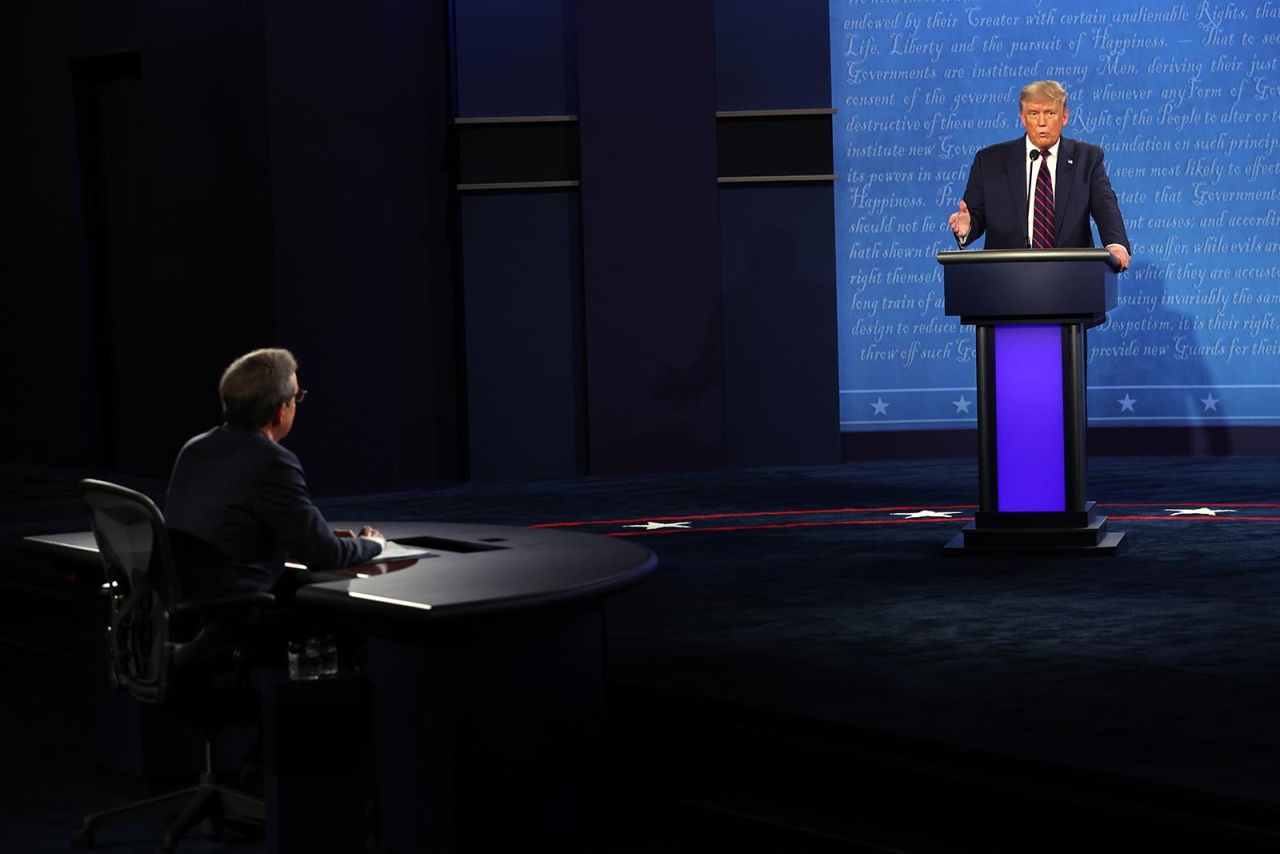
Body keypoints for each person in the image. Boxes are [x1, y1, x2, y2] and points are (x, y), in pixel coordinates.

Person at [165, 348, 385, 599]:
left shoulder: (194, 448)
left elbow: (228, 525)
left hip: (184, 605)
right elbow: (325, 554)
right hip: (239, 609)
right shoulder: (272, 462)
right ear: (281, 411)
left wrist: (309, 533)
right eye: (296, 397)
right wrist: (373, 544)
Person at [947, 80, 1131, 271]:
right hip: (1006, 279)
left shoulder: (1087, 159)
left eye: (1050, 113)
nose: (1042, 122)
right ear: (1023, 118)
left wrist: (1116, 245)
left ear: (1064, 117)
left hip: (1072, 276)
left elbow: (1105, 206)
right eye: (1034, 114)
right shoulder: (990, 161)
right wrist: (967, 226)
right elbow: (975, 215)